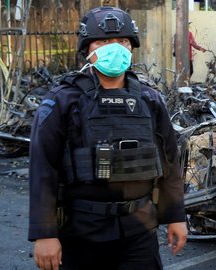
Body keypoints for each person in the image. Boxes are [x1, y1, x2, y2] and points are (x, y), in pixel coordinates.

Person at [28, 6, 187, 270]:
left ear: (131, 47)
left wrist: (175, 216)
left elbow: (169, 161)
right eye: (104, 41)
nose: (115, 47)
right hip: (81, 231)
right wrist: (45, 233)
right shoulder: (63, 100)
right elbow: (43, 167)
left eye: (123, 41)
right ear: (87, 49)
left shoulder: (149, 98)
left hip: (139, 230)